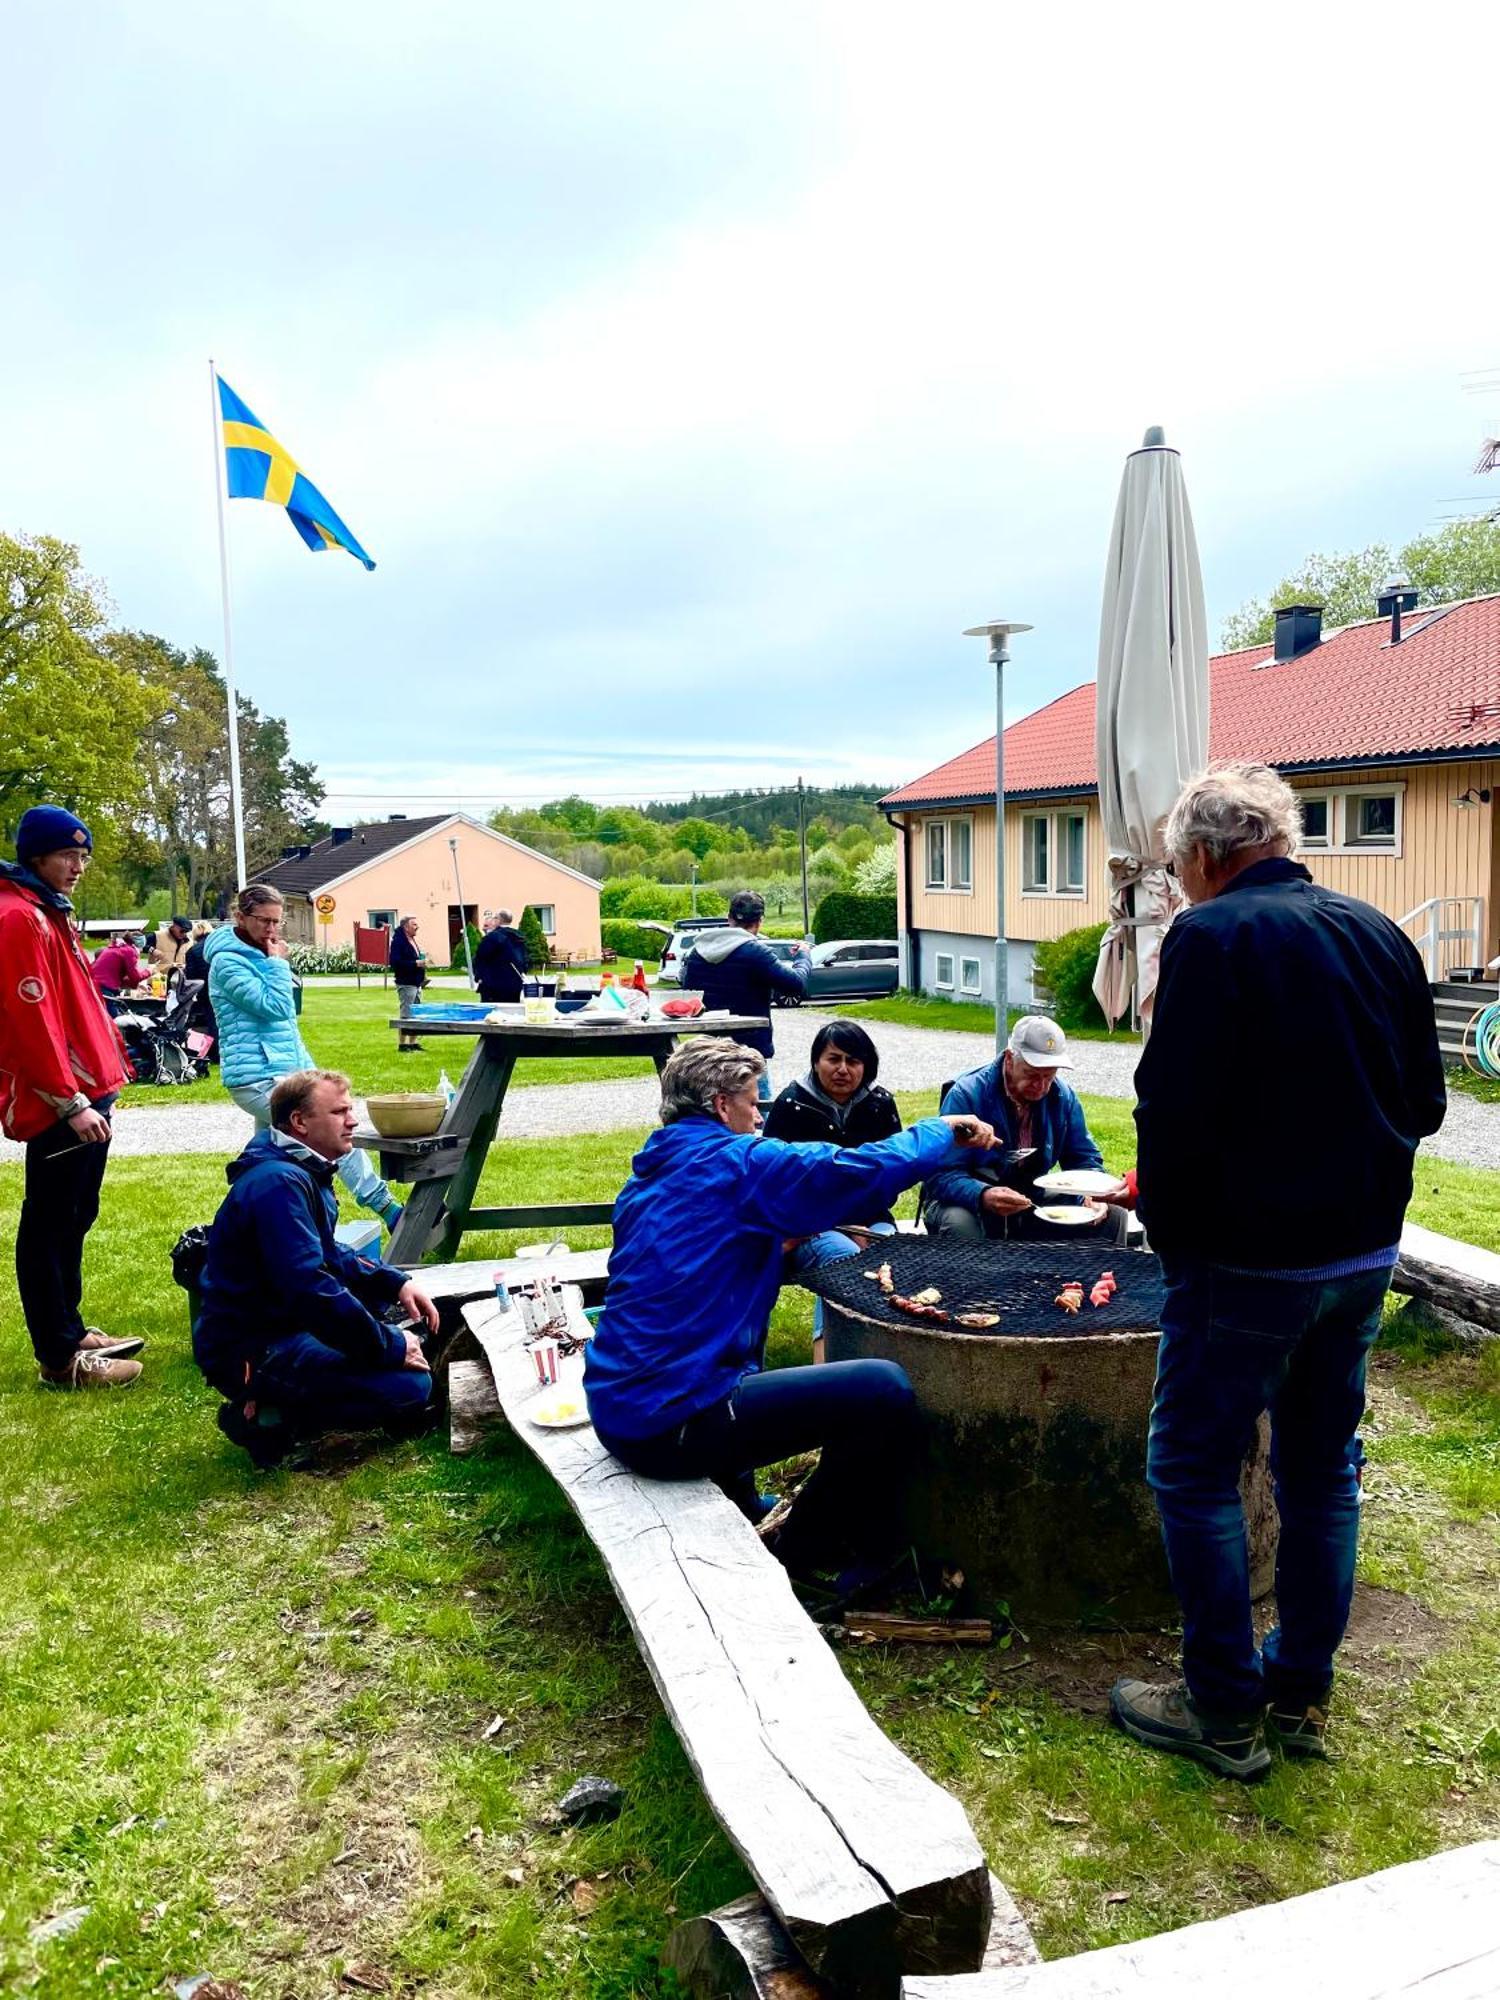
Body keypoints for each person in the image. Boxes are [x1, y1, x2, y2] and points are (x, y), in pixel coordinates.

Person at [1110, 763, 1445, 1780]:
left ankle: (1221, 1706)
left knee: (1195, 1468)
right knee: (1320, 1470)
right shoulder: (1381, 931)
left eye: (1176, 867)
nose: (1178, 884)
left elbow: (1169, 1112)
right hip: (1362, 1257)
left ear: (1206, 855)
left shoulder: (1209, 938)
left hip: (1247, 1264)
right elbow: (1427, 1102)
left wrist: (1169, 1232)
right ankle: (1298, 1693)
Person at [584, 1038, 997, 1602]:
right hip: (670, 1423)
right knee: (883, 1389)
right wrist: (945, 1130)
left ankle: (747, 1504)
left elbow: (691, 1279)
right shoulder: (737, 1165)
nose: (761, 1113)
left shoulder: (652, 1176)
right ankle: (812, 1551)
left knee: (735, 1371)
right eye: (754, 1100)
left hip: (618, 1406)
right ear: (719, 1103)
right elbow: (856, 1170)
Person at [195, 1069, 439, 1465]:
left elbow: (330, 1253)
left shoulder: (299, 1169)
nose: (353, 1120)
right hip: (256, 1348)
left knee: (401, 1323)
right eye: (339, 1111)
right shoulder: (278, 1185)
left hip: (285, 1324)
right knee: (409, 1386)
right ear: (299, 1122)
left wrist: (395, 1284)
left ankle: (286, 1401)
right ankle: (265, 1415)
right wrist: (390, 1346)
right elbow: (310, 1288)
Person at [0, 806, 144, 1389]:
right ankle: (60, 1359)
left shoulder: (45, 910)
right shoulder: (17, 918)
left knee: (77, 1214)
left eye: (83, 856)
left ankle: (72, 1326)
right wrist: (69, 1100)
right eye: (68, 855)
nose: (78, 866)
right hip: (63, 1100)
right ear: (36, 855)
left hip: (89, 1090)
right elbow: (28, 1020)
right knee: (50, 1222)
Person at [206, 884, 403, 1233]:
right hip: (256, 1077)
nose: (271, 930)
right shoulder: (226, 962)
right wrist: (278, 964)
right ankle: (387, 1207)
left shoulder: (262, 955)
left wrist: (308, 1071)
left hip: (285, 1069)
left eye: (277, 922)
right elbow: (276, 1007)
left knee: (268, 1154)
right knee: (327, 1129)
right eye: (263, 921)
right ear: (240, 917)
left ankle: (250, 1224)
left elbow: (286, 1020)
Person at [764, 1018, 903, 1360]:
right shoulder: (792, 1105)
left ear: (866, 1066)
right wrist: (839, 1226)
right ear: (816, 1061)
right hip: (809, 1228)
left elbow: (892, 1176)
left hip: (872, 1222)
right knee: (843, 1258)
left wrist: (864, 1226)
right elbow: (776, 1182)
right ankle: (824, 1358)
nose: (843, 1069)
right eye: (834, 1059)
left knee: (896, 1258)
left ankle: (882, 1353)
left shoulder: (880, 1104)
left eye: (853, 1061)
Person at [922, 1016, 1129, 1243]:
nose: (1041, 1086)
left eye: (1049, 1076)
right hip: (968, 1199)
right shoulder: (967, 1094)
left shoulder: (1062, 1096)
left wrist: (1092, 1196)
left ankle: (1098, 1279)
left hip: (1030, 1196)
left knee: (1112, 1214)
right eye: (1032, 1075)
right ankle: (976, 1280)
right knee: (960, 1224)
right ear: (1010, 1059)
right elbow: (940, 1174)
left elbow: (1084, 1159)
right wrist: (983, 1194)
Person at [681, 892, 809, 1100]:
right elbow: (795, 984)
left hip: (709, 1050)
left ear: (729, 918)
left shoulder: (698, 952)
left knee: (714, 1111)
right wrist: (803, 956)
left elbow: (689, 996)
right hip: (750, 1052)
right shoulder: (755, 952)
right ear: (759, 921)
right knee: (756, 1114)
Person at [472, 906, 528, 1003]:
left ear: (498, 920)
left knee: (493, 1013)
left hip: (493, 985)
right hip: (514, 984)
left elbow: (480, 958)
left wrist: (479, 976)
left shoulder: (493, 937)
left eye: (494, 918)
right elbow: (525, 960)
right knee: (512, 1012)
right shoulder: (520, 938)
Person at [388, 915, 427, 1052]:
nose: (417, 927)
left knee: (416, 1012)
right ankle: (402, 1044)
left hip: (416, 982)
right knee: (406, 1013)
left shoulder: (412, 940)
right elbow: (395, 962)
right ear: (406, 927)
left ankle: (413, 1043)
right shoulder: (398, 942)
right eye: (414, 924)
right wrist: (415, 963)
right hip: (406, 982)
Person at [182, 920, 218, 1056]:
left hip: (206, 991)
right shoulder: (219, 946)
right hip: (224, 988)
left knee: (212, 1022)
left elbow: (191, 977)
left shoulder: (192, 951)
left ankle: (215, 1054)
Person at [89, 931, 150, 1000]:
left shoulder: (117, 948)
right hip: (103, 986)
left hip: (94, 983)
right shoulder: (129, 951)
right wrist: (149, 971)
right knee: (111, 1009)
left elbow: (121, 977)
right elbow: (135, 977)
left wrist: (137, 985)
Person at [150, 915, 193, 979]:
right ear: (174, 926)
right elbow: (141, 946)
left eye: (186, 932)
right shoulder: (157, 935)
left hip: (179, 980)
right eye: (182, 931)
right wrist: (152, 950)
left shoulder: (189, 942)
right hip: (158, 979)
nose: (184, 934)